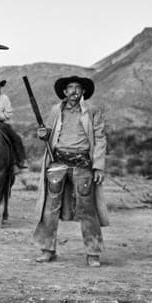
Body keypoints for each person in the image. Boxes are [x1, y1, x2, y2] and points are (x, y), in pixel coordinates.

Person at [31, 75, 108, 267]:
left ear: (83, 92)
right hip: (57, 163)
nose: (74, 91)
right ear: (64, 92)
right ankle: (47, 250)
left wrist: (98, 166)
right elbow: (47, 132)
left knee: (87, 209)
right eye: (70, 88)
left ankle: (93, 253)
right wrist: (43, 134)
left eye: (78, 88)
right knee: (50, 208)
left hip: (82, 165)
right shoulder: (55, 110)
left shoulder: (92, 111)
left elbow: (100, 138)